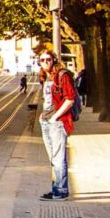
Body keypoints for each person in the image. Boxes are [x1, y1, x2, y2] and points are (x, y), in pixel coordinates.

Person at [36, 50, 76, 201]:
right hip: (46, 121)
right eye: (42, 60)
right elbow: (47, 100)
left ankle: (60, 191)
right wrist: (43, 115)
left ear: (53, 60)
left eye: (48, 59)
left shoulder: (62, 75)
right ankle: (56, 188)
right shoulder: (44, 77)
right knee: (53, 157)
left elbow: (70, 98)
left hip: (58, 122)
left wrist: (55, 117)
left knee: (59, 158)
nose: (45, 62)